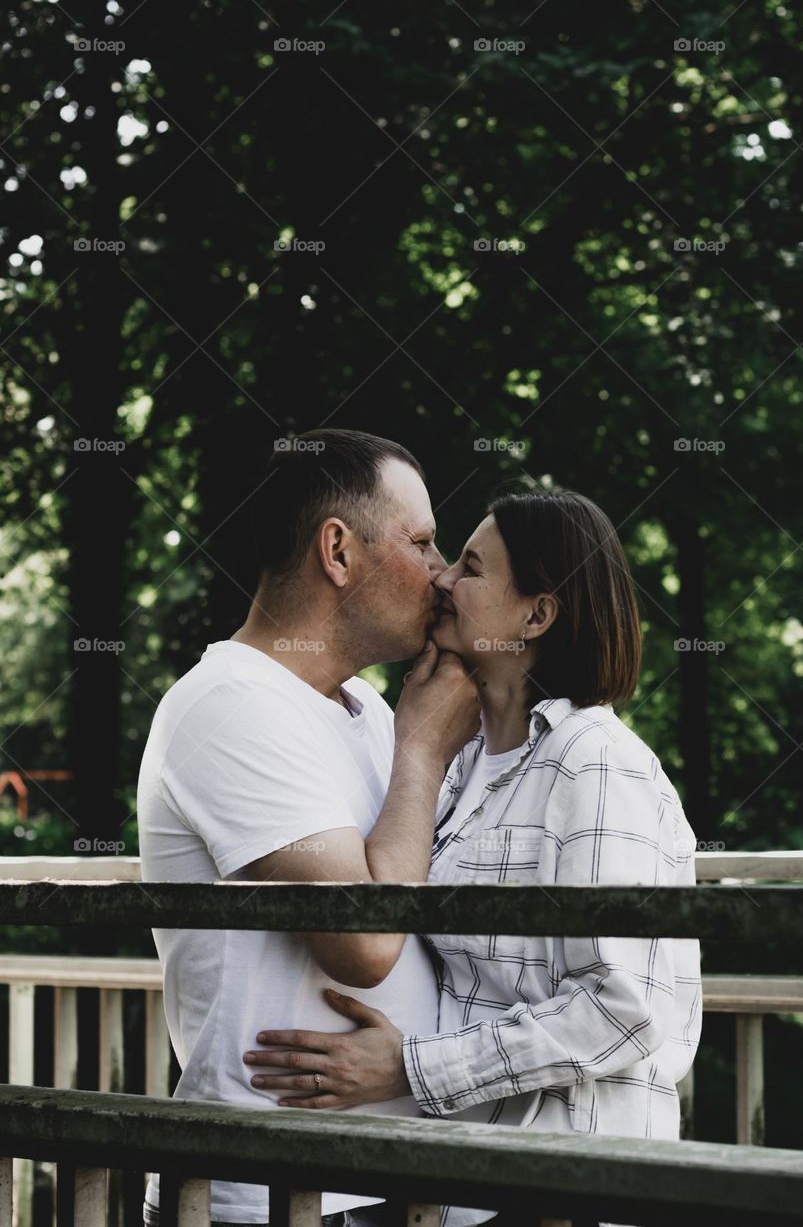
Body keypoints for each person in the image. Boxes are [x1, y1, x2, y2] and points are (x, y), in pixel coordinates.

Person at [243, 489, 703, 1227]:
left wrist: (410, 1067)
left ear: (536, 615)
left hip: (560, 1187)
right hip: (454, 1182)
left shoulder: (594, 761)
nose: (442, 580)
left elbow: (626, 1009)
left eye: (471, 567)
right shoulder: (458, 768)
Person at [137, 429, 480, 1227]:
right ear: (338, 550)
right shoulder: (230, 702)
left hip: (385, 1177)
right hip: (267, 1192)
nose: (441, 572)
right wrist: (424, 748)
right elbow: (361, 943)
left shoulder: (363, 711)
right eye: (422, 542)